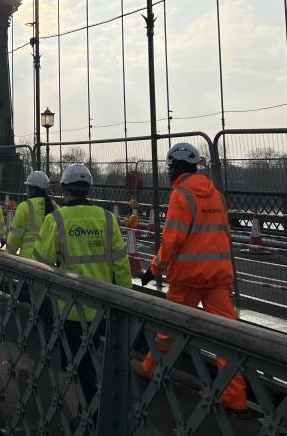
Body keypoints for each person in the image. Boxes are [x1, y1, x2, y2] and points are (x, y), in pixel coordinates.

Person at [132, 142, 248, 415]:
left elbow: (172, 240)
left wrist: (153, 271)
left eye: (169, 168)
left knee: (168, 330)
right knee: (226, 337)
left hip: (188, 278)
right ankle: (235, 399)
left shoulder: (181, 195)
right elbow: (223, 236)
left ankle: (151, 369)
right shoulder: (216, 196)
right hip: (217, 277)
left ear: (175, 168)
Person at [33, 163, 132, 403]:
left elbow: (41, 262)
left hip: (70, 305)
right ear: (88, 188)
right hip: (103, 304)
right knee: (94, 354)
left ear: (65, 189)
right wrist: (127, 301)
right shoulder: (108, 218)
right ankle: (95, 406)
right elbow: (120, 264)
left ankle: (90, 411)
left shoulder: (56, 218)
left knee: (78, 360)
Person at [5, 170, 54, 259]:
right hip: (49, 260)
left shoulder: (25, 206)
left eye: (27, 187)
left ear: (33, 190)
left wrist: (7, 256)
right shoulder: (55, 207)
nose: (26, 190)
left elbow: (15, 237)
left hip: (29, 260)